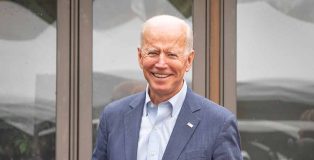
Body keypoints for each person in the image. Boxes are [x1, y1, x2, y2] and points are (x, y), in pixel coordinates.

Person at [92, 15, 242, 160]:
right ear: (140, 57)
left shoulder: (218, 123)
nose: (161, 64)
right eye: (153, 53)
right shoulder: (113, 117)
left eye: (171, 54)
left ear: (189, 60)